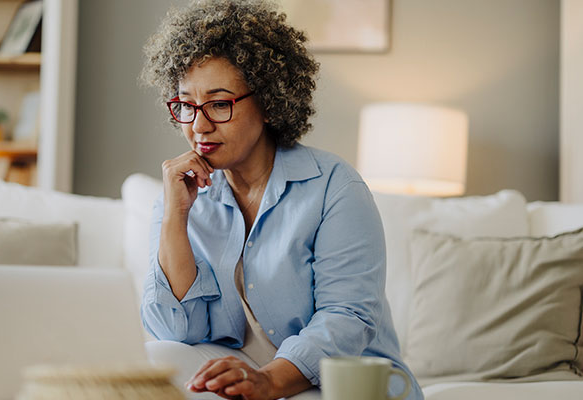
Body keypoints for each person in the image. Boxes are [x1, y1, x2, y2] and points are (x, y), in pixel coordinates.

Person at [139, 1, 424, 399]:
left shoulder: (334, 186)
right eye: (187, 105)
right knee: (157, 358)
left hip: (338, 381)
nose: (199, 125)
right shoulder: (180, 193)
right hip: (241, 376)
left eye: (220, 104)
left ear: (270, 102)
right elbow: (176, 332)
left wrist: (269, 380)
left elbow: (346, 318)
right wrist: (175, 215)